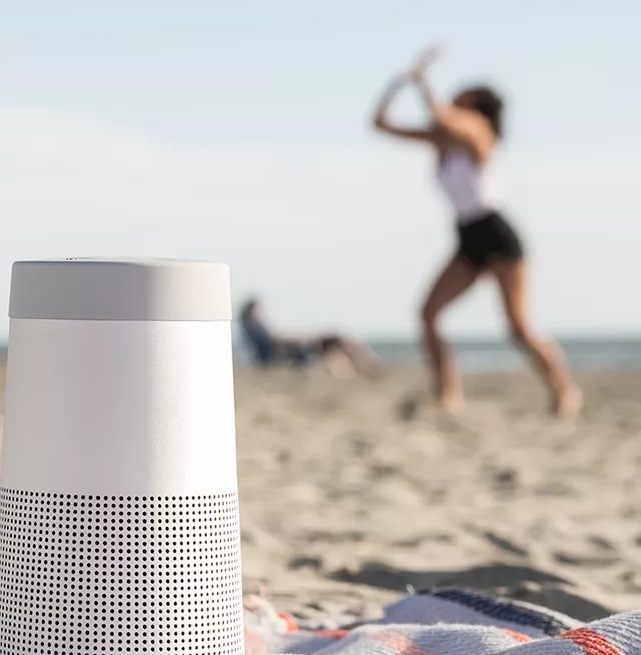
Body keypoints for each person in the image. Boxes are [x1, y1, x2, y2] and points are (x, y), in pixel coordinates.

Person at [372, 46, 580, 417]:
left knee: (517, 328)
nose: (456, 95)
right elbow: (380, 124)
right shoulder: (442, 140)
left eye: (464, 94)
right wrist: (397, 85)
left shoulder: (478, 132)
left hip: (497, 235)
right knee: (428, 314)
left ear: (478, 105)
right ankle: (448, 394)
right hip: (468, 238)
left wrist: (423, 85)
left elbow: (443, 115)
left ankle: (564, 390)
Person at [238, 298, 382, 379]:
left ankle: (358, 368)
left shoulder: (254, 327)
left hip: (294, 347)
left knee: (334, 345)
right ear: (252, 311)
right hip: (291, 349)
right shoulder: (256, 327)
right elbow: (276, 340)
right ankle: (365, 365)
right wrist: (303, 337)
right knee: (335, 341)